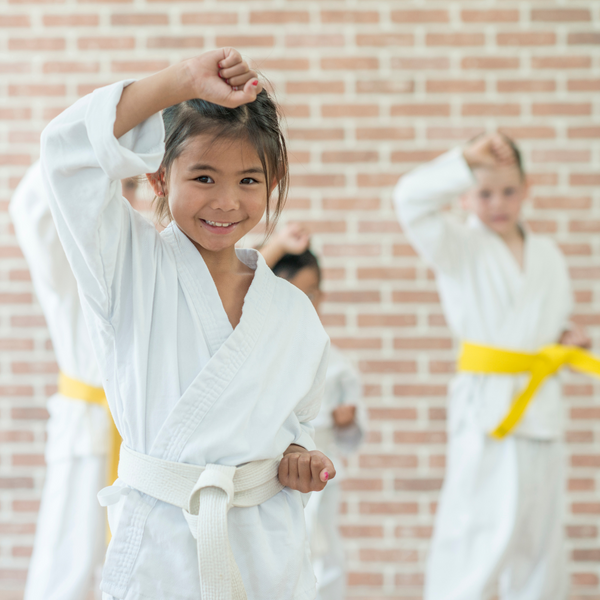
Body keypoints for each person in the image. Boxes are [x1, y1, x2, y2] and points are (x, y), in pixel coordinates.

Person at [39, 48, 335, 600]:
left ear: (271, 184)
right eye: (203, 176)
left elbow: (298, 423)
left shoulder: (293, 312)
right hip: (161, 553)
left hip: (266, 556)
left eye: (250, 180)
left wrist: (299, 458)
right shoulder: (127, 269)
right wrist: (177, 83)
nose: (227, 201)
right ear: (157, 176)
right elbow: (66, 154)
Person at [394, 133, 590, 600]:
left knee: (540, 538)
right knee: (474, 531)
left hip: (540, 409)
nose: (498, 203)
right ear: (464, 194)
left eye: (508, 191)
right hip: (487, 412)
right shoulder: (458, 246)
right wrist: (466, 158)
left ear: (527, 188)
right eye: (484, 192)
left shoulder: (548, 256)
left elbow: (547, 320)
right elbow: (408, 199)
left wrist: (564, 338)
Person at [10, 165, 140, 600]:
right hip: (87, 428)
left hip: (142, 432)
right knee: (65, 564)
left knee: (143, 564)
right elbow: (31, 210)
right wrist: (96, 141)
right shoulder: (69, 259)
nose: (120, 200)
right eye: (111, 186)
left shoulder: (147, 255)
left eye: (130, 187)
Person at [260, 223, 368, 600]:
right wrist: (275, 246)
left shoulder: (335, 362)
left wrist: (348, 421)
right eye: (291, 293)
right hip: (271, 470)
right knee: (280, 552)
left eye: (310, 293)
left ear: (320, 296)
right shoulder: (258, 356)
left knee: (326, 550)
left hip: (324, 468)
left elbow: (353, 434)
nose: (301, 303)